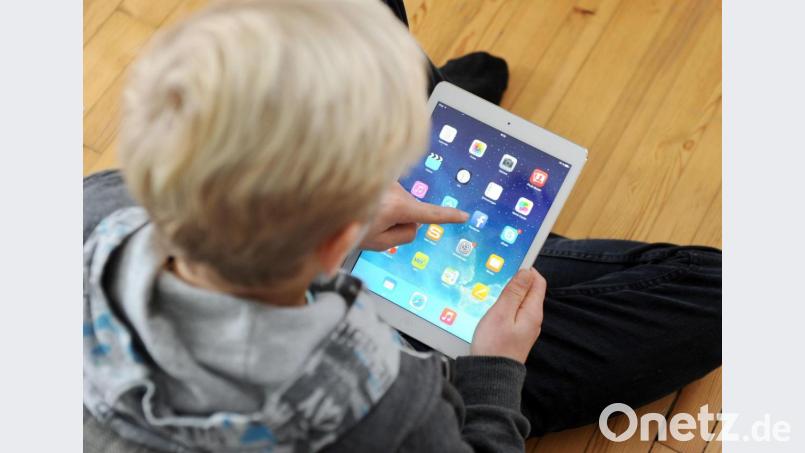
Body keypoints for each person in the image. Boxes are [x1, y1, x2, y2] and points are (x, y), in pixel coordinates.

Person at [83, 0, 721, 452]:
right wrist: (497, 368)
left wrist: (328, 233)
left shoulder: (98, 205)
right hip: (437, 353)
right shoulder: (378, 401)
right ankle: (434, 124)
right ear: (342, 235)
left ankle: (432, 117)